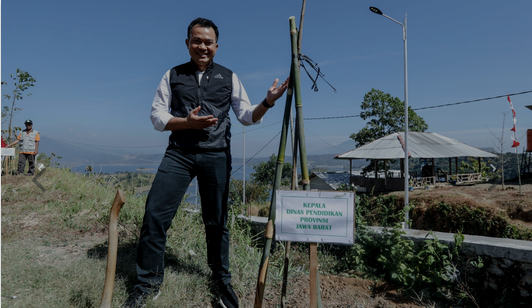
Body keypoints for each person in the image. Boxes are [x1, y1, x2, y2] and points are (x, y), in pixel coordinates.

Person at [123, 17, 289, 308]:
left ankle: (221, 282)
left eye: (208, 42)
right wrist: (185, 123)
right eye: (196, 41)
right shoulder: (172, 75)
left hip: (216, 155)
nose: (202, 46)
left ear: (216, 46)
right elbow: (157, 117)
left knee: (217, 222)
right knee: (154, 216)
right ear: (187, 43)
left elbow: (247, 116)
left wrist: (269, 101)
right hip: (179, 154)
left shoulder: (229, 76)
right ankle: (147, 284)